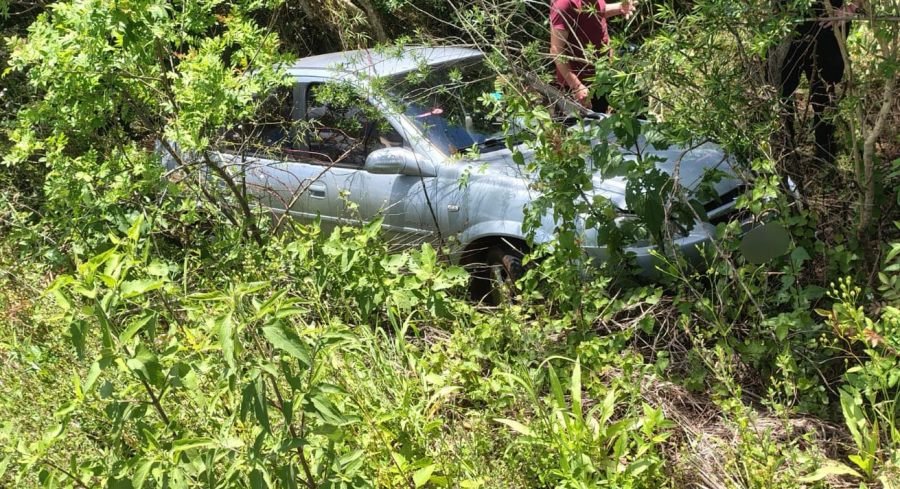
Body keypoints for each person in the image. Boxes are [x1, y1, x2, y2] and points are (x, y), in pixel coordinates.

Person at [771, 0, 860, 164]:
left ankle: (825, 154)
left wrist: (853, 6)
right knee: (780, 89)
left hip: (828, 20)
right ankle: (786, 156)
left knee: (825, 90)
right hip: (785, 22)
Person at [549, 0, 637, 113]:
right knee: (574, 127)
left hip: (600, 77)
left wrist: (620, 7)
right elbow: (556, 50)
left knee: (599, 125)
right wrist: (576, 86)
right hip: (579, 85)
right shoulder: (564, 4)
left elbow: (598, 11)